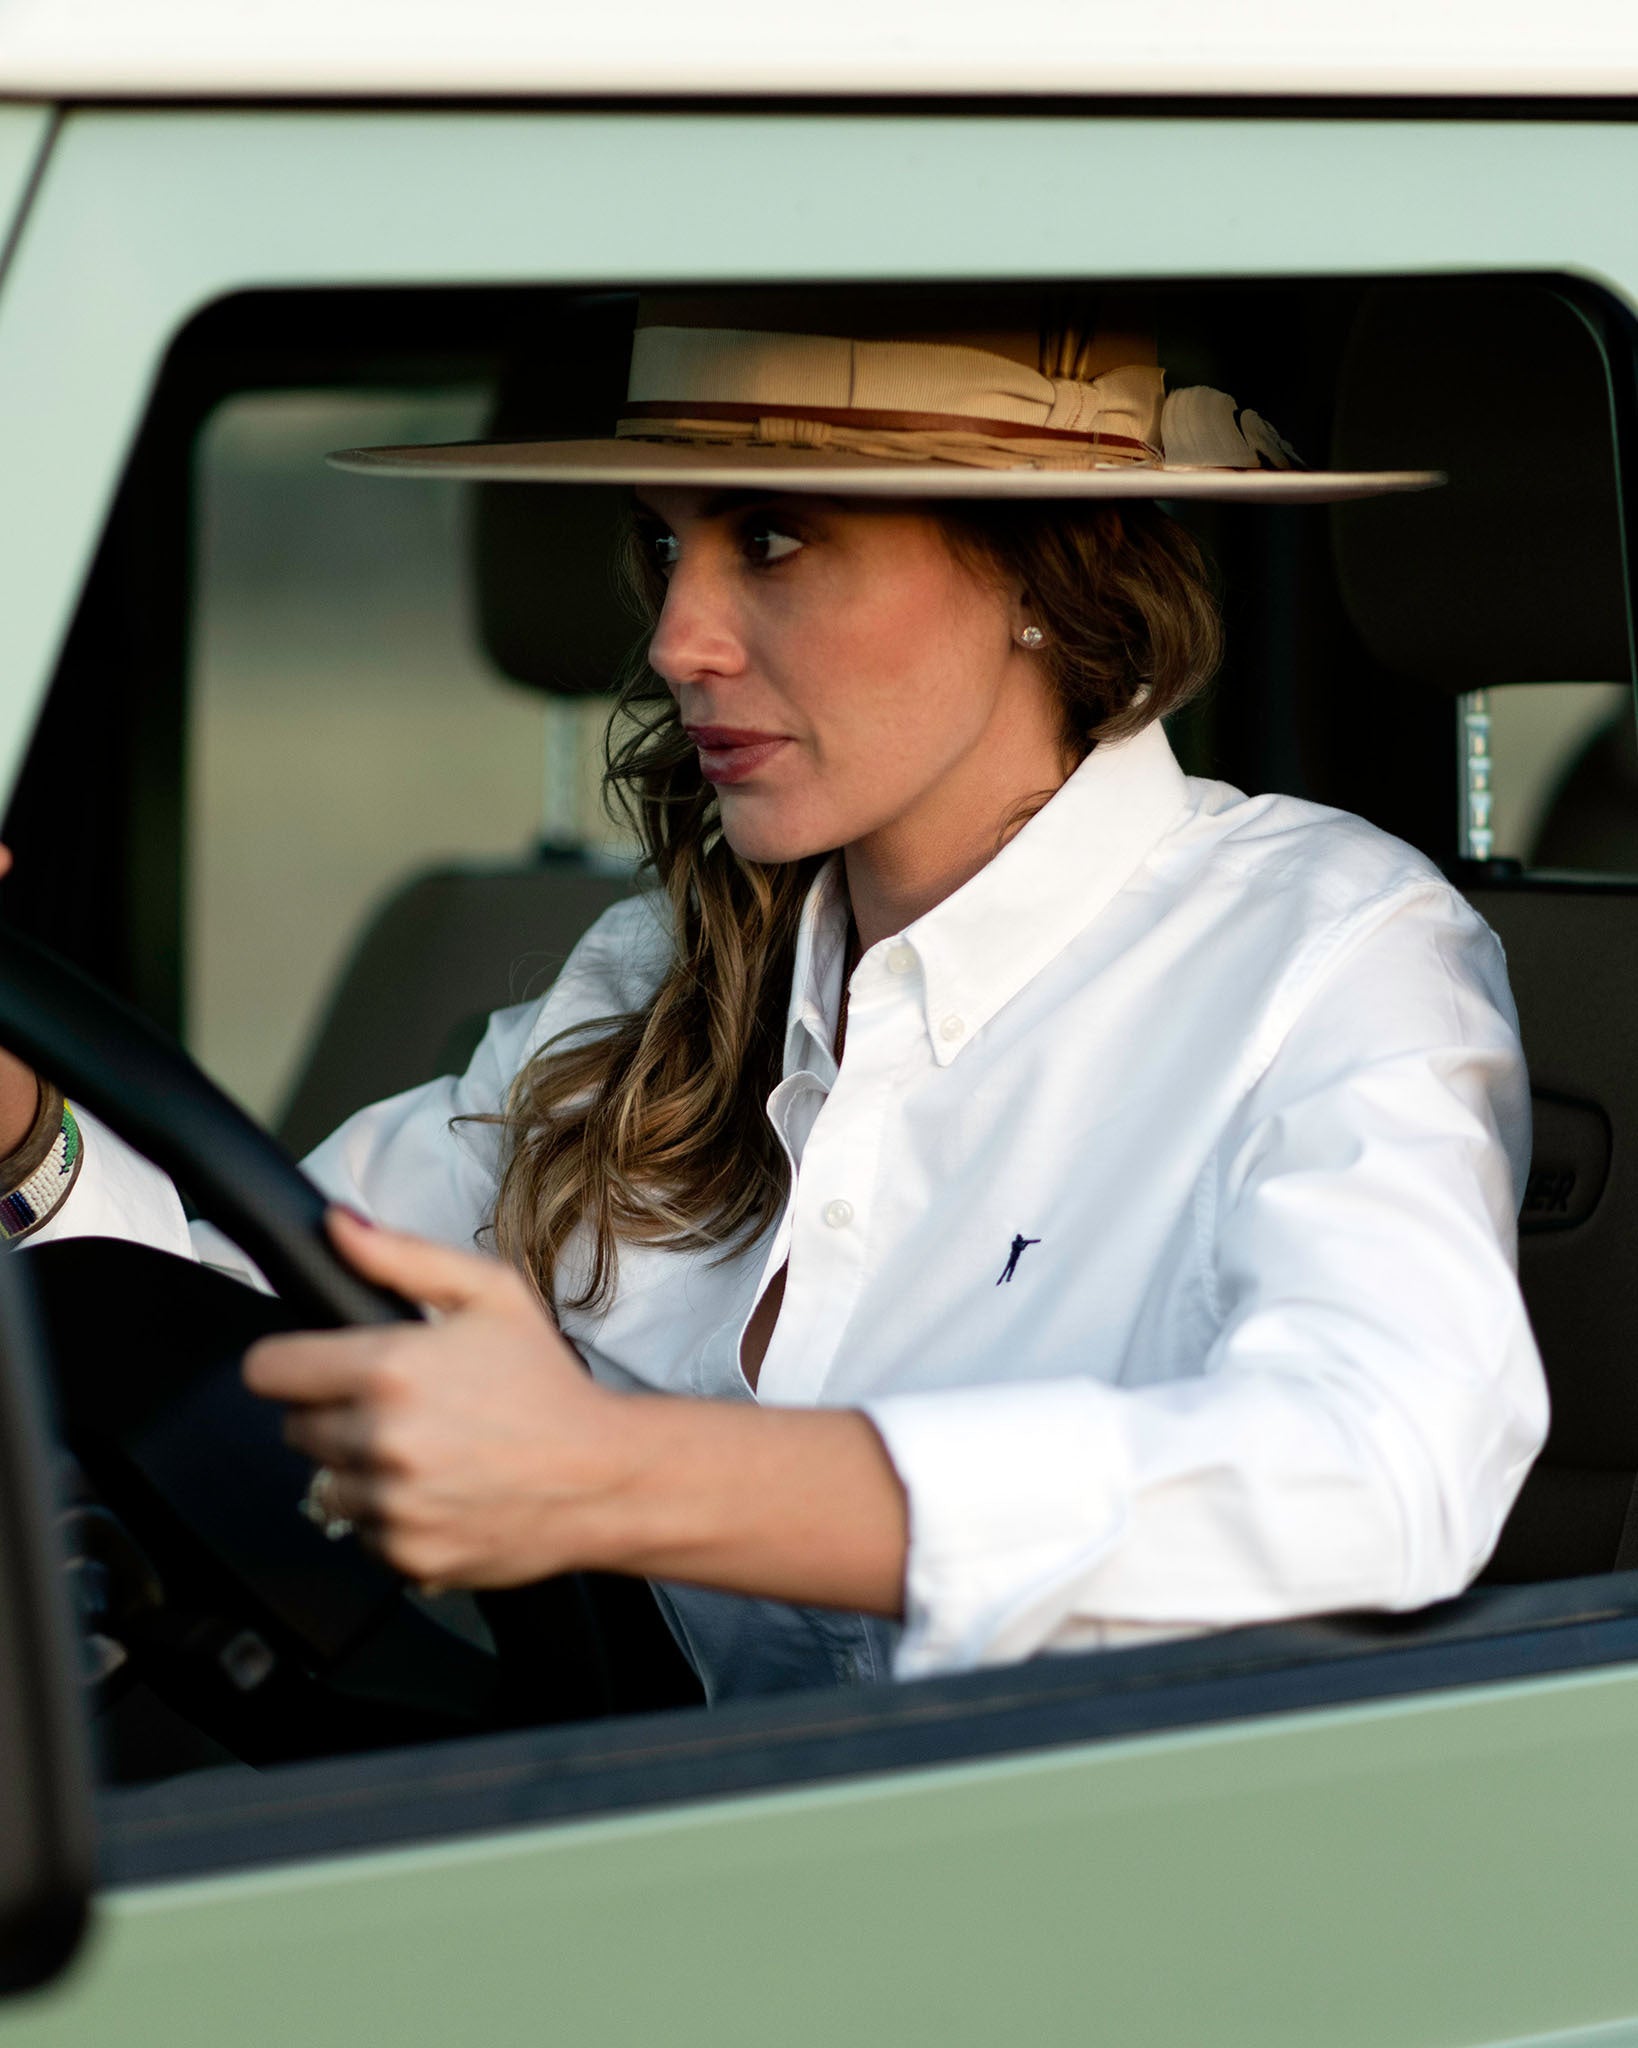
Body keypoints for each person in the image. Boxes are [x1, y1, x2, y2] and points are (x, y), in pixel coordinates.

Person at [0, 295, 1547, 1700]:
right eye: (666, 543)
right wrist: (21, 1133)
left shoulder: (1324, 955)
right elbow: (235, 1317)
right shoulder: (664, 972)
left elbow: (1379, 1477)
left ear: (1036, 566)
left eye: (776, 541)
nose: (676, 639)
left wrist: (614, 1475)